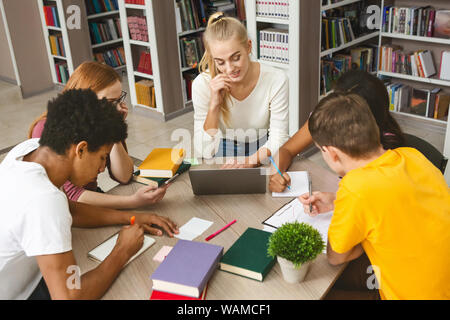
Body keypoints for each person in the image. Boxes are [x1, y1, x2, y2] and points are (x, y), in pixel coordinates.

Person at [0, 89, 179, 300]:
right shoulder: (44, 200)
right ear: (81, 149)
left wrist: (132, 216)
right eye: (103, 157)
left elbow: (70, 210)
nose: (103, 168)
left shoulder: (30, 151)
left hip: (28, 277)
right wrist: (122, 251)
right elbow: (70, 297)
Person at [298, 91, 450, 299]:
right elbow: (395, 199)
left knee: (316, 289)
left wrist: (354, 218)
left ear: (332, 153)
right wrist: (336, 201)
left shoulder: (355, 188)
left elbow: (336, 257)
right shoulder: (413, 156)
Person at [28, 61, 167, 209]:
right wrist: (132, 201)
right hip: (65, 209)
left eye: (119, 100)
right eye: (110, 102)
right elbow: (72, 196)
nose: (117, 107)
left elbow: (124, 176)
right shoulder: (46, 130)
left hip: (91, 197)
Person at [269, 70, 405, 192]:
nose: (334, 109)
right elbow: (287, 150)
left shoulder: (389, 153)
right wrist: (277, 173)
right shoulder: (329, 118)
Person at [192, 12, 289, 167]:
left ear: (248, 46)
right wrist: (214, 104)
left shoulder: (276, 79)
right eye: (220, 62)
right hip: (223, 146)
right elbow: (204, 150)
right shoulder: (202, 84)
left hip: (264, 147)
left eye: (236, 57)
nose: (230, 69)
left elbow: (279, 136)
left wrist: (250, 161)